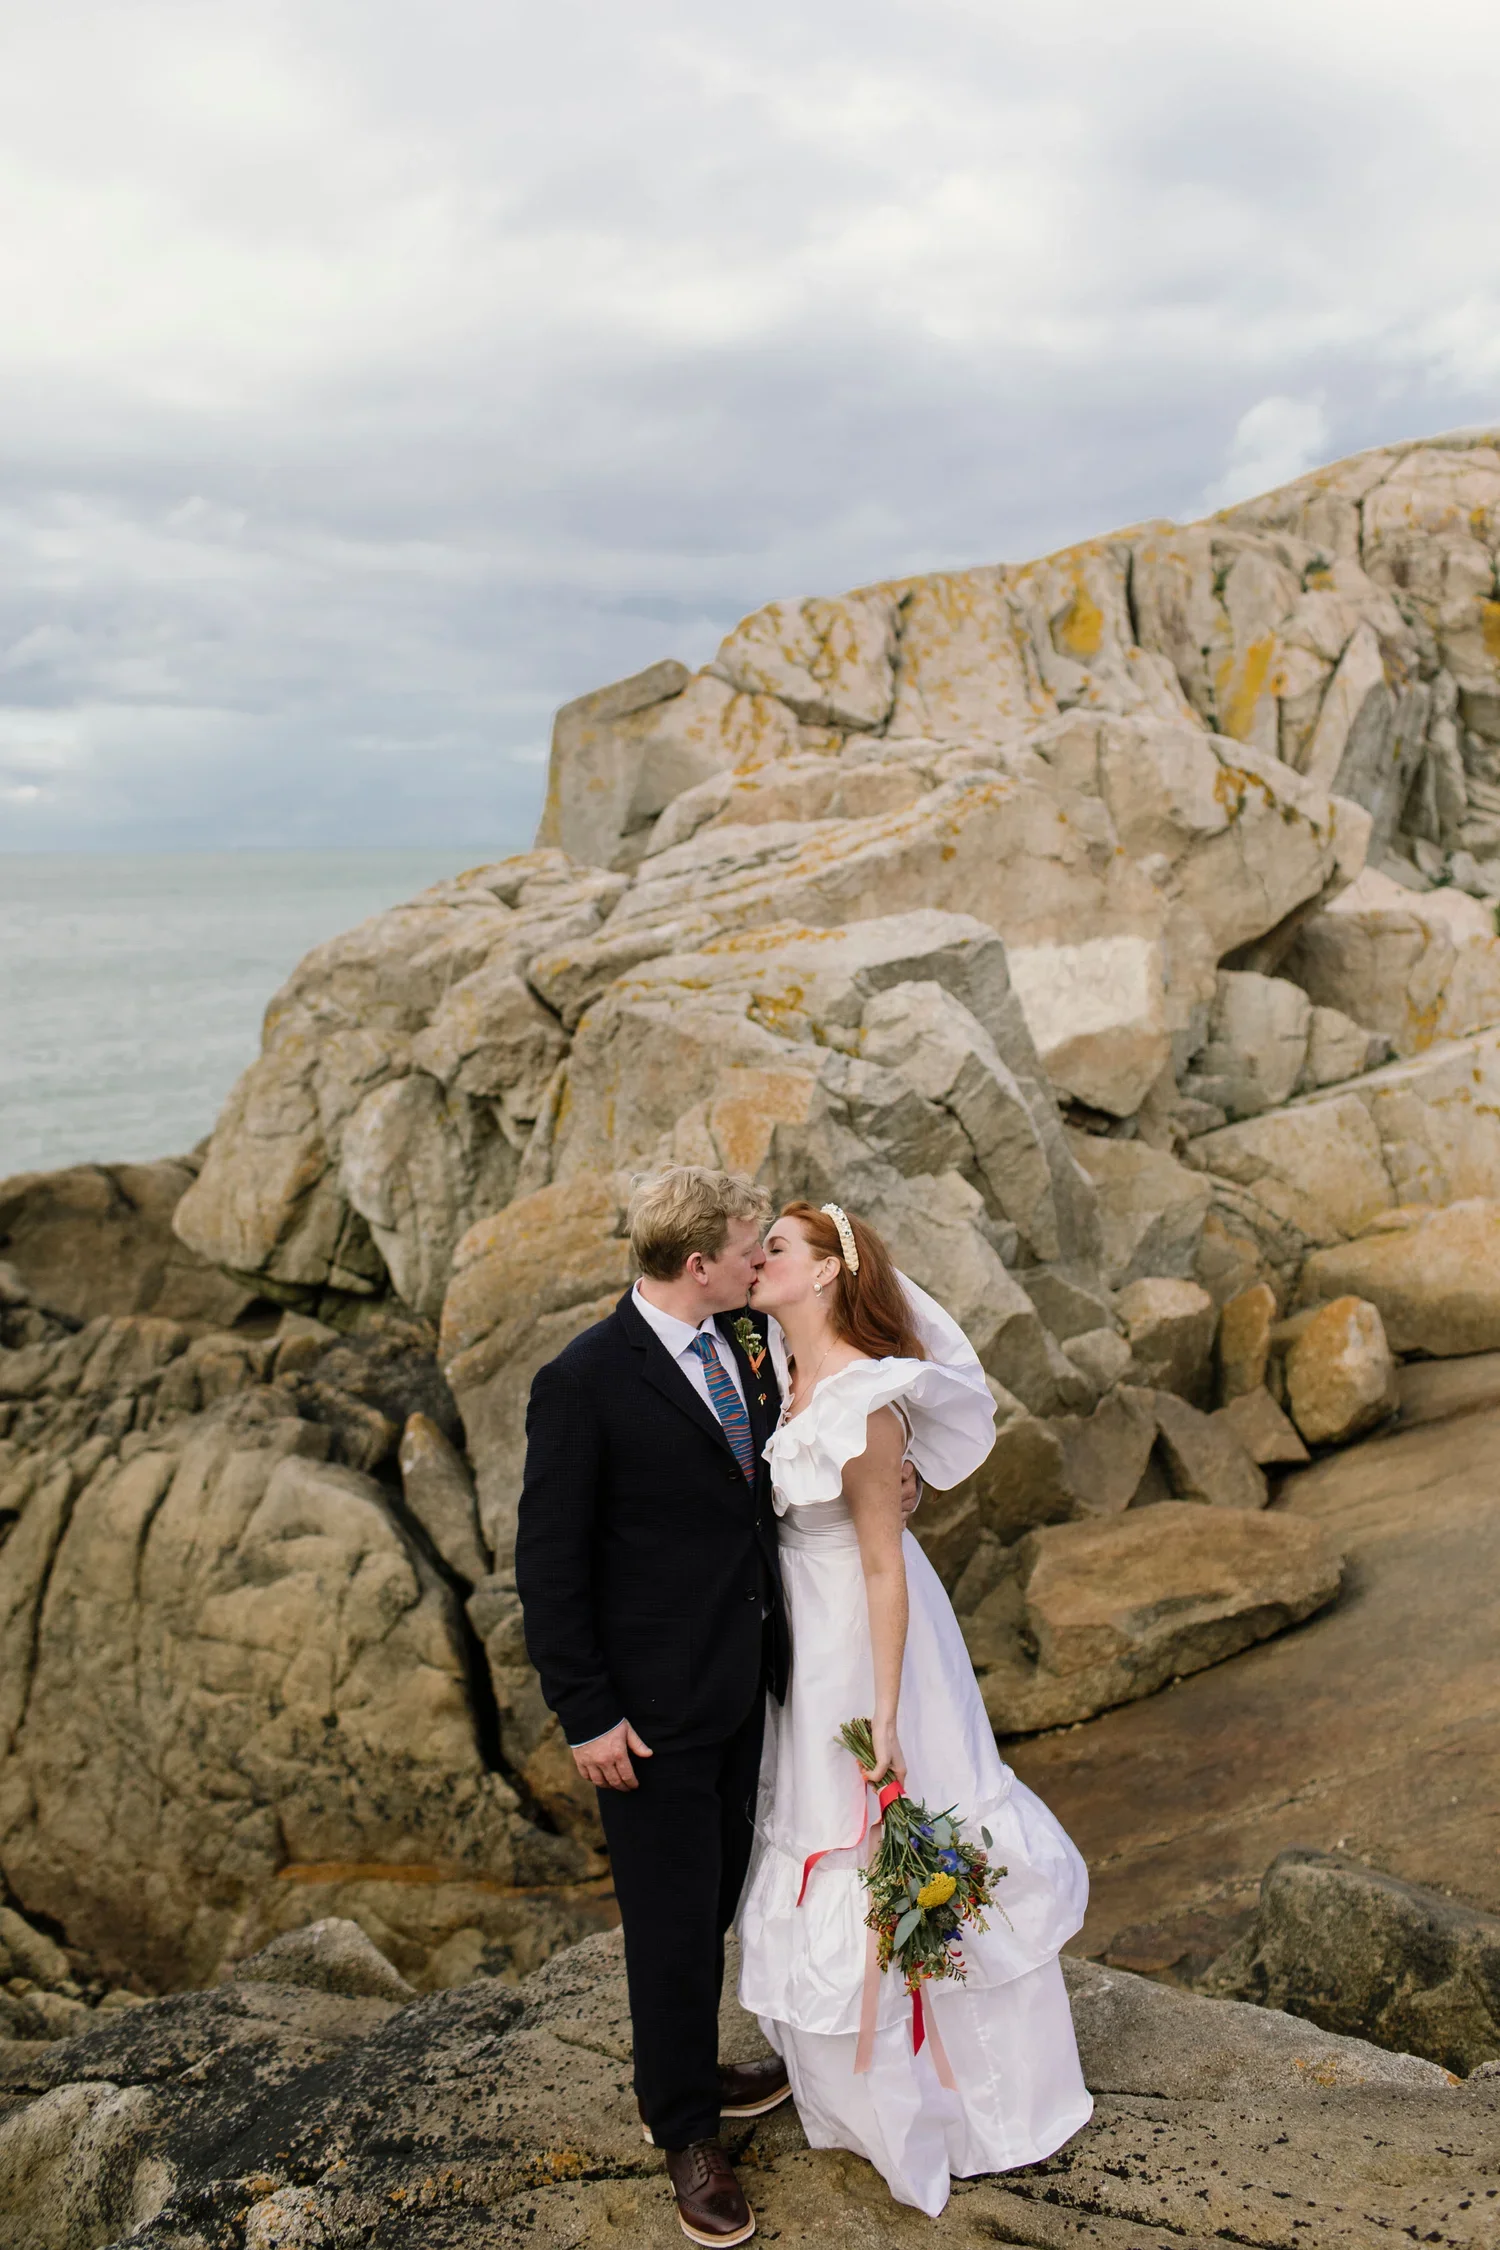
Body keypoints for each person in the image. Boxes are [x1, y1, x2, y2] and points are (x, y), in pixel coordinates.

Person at [516, 1166, 921, 2246]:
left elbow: (800, 1456)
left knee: (718, 1903)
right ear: (699, 1265)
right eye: (748, 1248)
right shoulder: (584, 1381)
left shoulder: (744, 1343)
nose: (759, 1261)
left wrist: (895, 1478)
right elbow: (547, 1566)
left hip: (754, 1685)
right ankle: (684, 2130)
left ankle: (694, 2068)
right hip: (645, 1714)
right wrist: (586, 1713)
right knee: (666, 1927)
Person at [736, 1199, 1093, 2217]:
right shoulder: (779, 1374)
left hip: (871, 1637)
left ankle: (975, 2106)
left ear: (827, 1274)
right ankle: (862, 2099)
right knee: (823, 1839)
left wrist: (886, 1714)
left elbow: (885, 1568)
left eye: (779, 1251)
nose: (759, 1262)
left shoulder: (867, 1399)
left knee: (910, 1825)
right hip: (807, 1642)